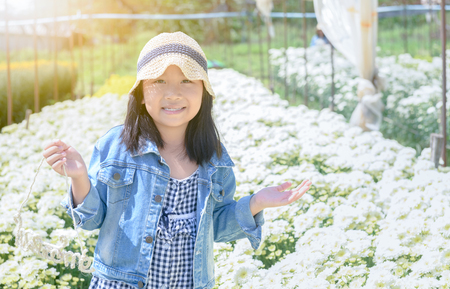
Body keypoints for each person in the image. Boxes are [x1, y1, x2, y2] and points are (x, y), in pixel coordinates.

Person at [42, 31, 312, 289]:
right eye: (159, 81)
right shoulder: (119, 146)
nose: (172, 93)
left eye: (186, 81)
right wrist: (78, 177)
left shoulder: (214, 158)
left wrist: (256, 203)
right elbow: (92, 219)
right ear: (140, 92)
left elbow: (215, 227)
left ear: (204, 91)